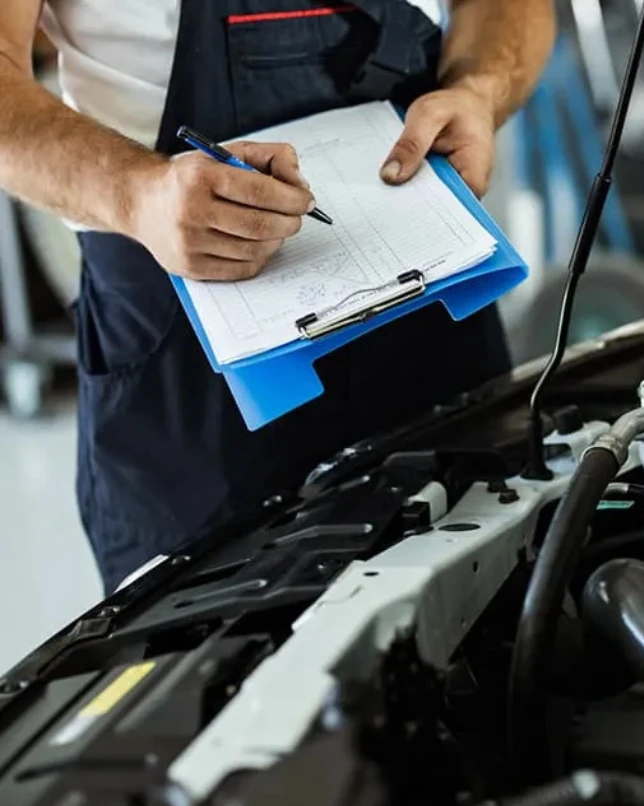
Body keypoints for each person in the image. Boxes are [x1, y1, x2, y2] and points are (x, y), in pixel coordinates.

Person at [0, 0, 555, 592]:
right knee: (220, 665)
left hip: (435, 326)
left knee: (495, 626)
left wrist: (479, 90)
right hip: (195, 379)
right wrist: (136, 193)